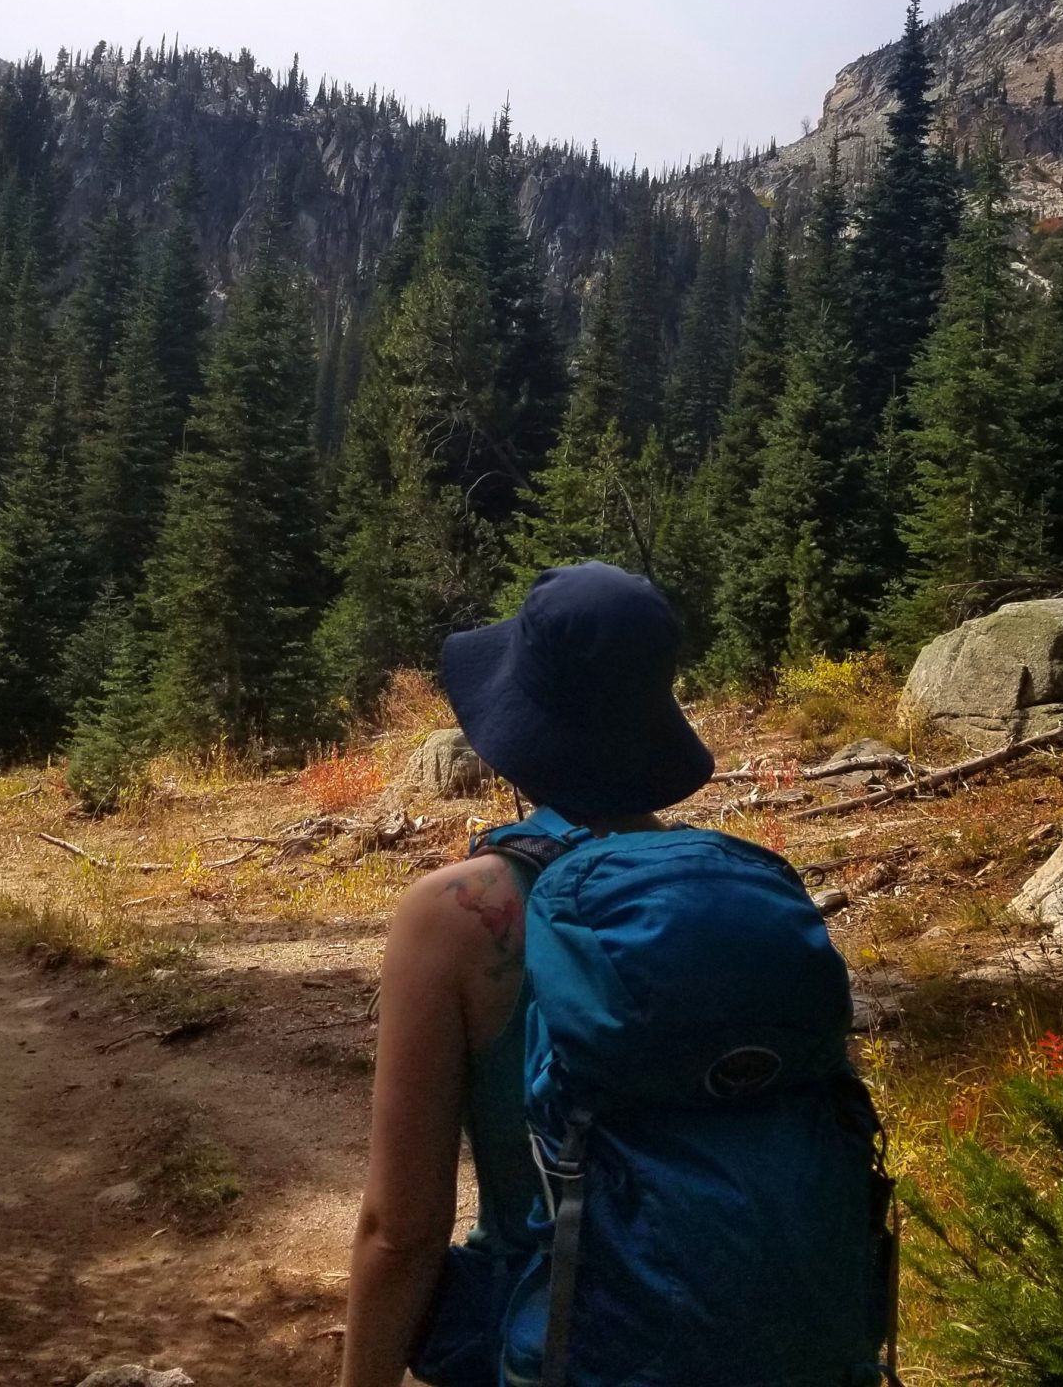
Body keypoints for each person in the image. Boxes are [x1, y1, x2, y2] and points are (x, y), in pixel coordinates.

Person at [340, 562, 894, 1387]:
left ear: (517, 727)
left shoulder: (456, 914)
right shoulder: (731, 896)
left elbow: (402, 1231)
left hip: (566, 1348)